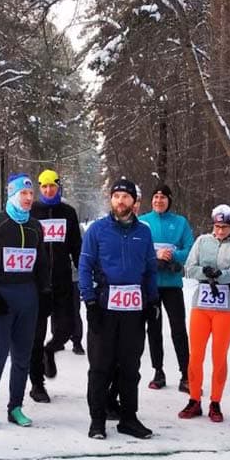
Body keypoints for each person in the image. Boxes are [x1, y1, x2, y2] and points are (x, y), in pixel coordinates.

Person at [80, 178, 159, 440]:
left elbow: (149, 269)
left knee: (130, 367)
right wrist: (89, 301)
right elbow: (84, 266)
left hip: (134, 310)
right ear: (111, 200)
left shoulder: (144, 232)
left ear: (134, 202)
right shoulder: (97, 230)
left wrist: (152, 301)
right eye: (116, 197)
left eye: (126, 197)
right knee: (100, 366)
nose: (121, 201)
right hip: (105, 306)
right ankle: (97, 420)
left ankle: (128, 418)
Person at [0, 173, 49, 428]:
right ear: (12, 195)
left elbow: (41, 263)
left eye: (30, 194)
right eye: (23, 194)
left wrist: (44, 292)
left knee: (22, 357)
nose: (28, 198)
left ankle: (15, 406)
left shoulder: (36, 227)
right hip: (2, 296)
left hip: (27, 296)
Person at [177, 204, 230, 423]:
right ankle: (194, 399)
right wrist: (205, 272)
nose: (219, 232)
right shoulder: (202, 241)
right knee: (195, 355)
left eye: (224, 227)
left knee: (219, 356)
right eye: (217, 227)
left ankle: (215, 402)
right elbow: (189, 268)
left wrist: (220, 274)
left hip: (225, 306)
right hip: (202, 304)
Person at [28, 169, 83, 403]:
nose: (48, 190)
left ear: (59, 187)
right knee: (35, 335)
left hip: (62, 279)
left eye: (52, 186)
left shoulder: (68, 212)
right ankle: (37, 384)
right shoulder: (32, 212)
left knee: (66, 328)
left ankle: (50, 351)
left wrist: (85, 272)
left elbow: (77, 246)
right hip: (38, 282)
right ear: (40, 188)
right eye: (44, 186)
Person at [140, 184, 195, 391]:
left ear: (169, 200)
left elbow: (190, 247)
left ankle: (185, 374)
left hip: (172, 284)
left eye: (163, 197)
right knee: (154, 330)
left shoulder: (180, 222)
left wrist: (172, 256)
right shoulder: (143, 222)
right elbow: (136, 248)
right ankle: (158, 372)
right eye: (155, 197)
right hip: (151, 285)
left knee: (178, 329)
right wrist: (155, 256)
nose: (159, 201)